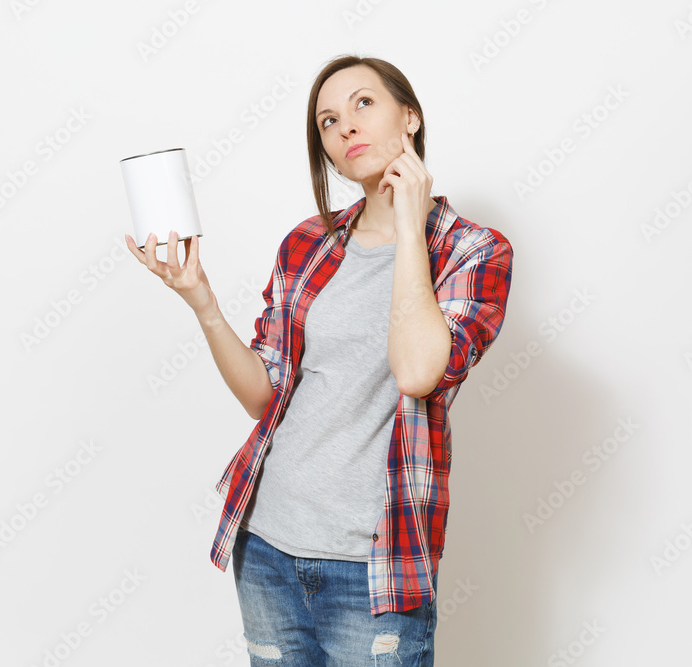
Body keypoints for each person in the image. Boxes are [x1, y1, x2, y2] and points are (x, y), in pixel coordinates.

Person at [125, 54, 513, 666]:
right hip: (269, 547)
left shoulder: (475, 252)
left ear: (409, 117)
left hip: (374, 569)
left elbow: (417, 372)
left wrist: (409, 227)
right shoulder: (308, 243)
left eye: (363, 104)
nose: (345, 128)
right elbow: (263, 395)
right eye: (327, 121)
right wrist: (200, 300)